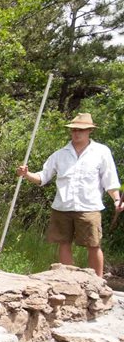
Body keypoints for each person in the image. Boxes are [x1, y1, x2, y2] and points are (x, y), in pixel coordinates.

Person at [17, 112, 124, 277]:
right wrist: (27, 174)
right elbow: (42, 177)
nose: (76, 133)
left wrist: (117, 199)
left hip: (89, 206)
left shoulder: (101, 152)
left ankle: (97, 283)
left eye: (80, 130)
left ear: (90, 131)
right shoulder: (60, 154)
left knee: (94, 244)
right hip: (62, 206)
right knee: (63, 243)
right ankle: (67, 281)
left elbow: (109, 181)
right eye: (74, 129)